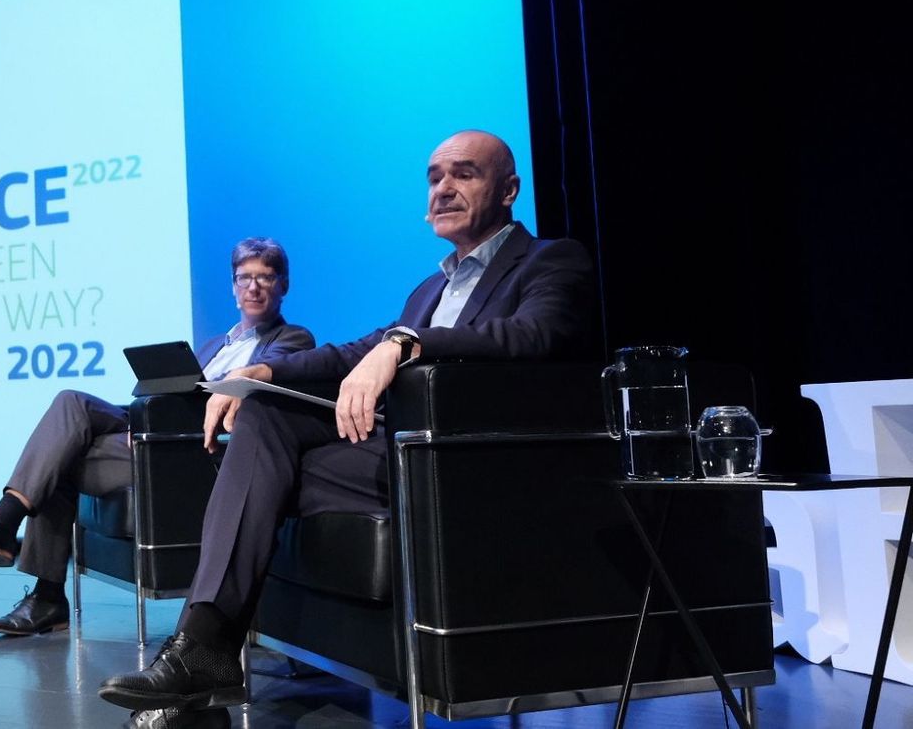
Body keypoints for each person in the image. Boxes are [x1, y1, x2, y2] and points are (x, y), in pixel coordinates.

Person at [97, 130, 598, 711]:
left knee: (258, 478)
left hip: (464, 456)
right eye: (435, 177)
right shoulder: (430, 287)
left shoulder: (550, 259)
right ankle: (203, 648)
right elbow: (351, 351)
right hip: (395, 449)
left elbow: (532, 336)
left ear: (509, 190)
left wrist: (406, 344)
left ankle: (203, 656)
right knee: (262, 425)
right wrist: (265, 372)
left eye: (464, 174)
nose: (443, 189)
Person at [0, 237, 315, 636]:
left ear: (282, 285)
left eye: (265, 278)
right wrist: (141, 419)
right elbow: (178, 397)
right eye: (244, 277)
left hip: (197, 456)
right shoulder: (215, 345)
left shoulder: (292, 340)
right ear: (233, 287)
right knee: (71, 403)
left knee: (59, 460)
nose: (253, 287)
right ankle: (15, 546)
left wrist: (156, 426)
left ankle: (23, 560)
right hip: (158, 440)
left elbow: (250, 397)